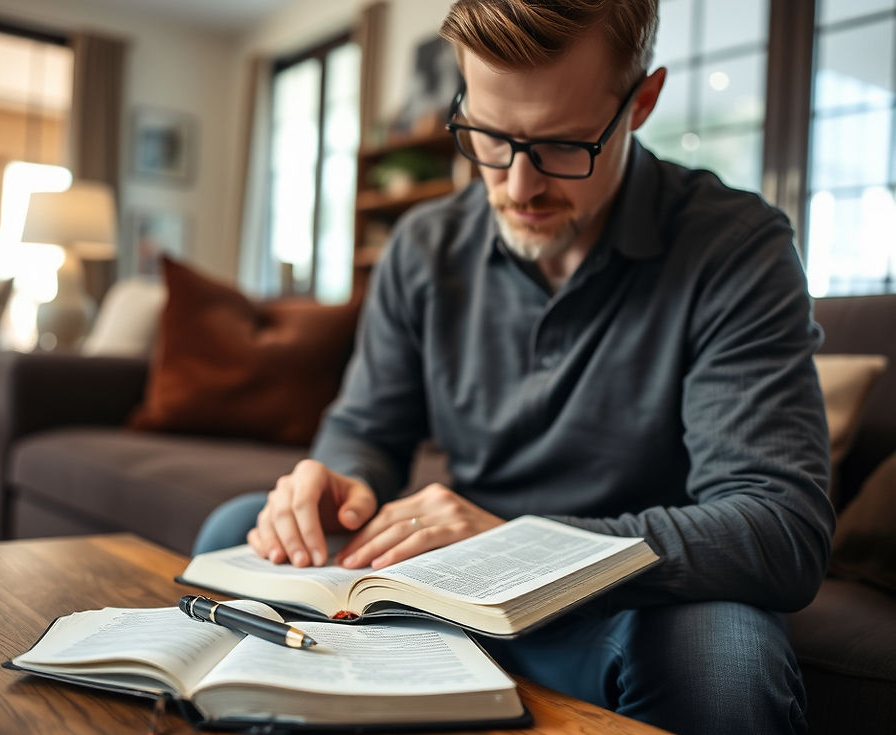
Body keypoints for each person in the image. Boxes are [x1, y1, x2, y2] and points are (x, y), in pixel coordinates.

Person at [194, 2, 834, 733]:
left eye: (564, 145)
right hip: (440, 586)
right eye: (490, 138)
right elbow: (367, 428)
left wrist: (516, 543)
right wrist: (339, 481)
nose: (520, 187)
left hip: (625, 605)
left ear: (642, 103)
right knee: (237, 528)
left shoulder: (734, 249)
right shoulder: (422, 247)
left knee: (726, 661)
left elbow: (780, 527)